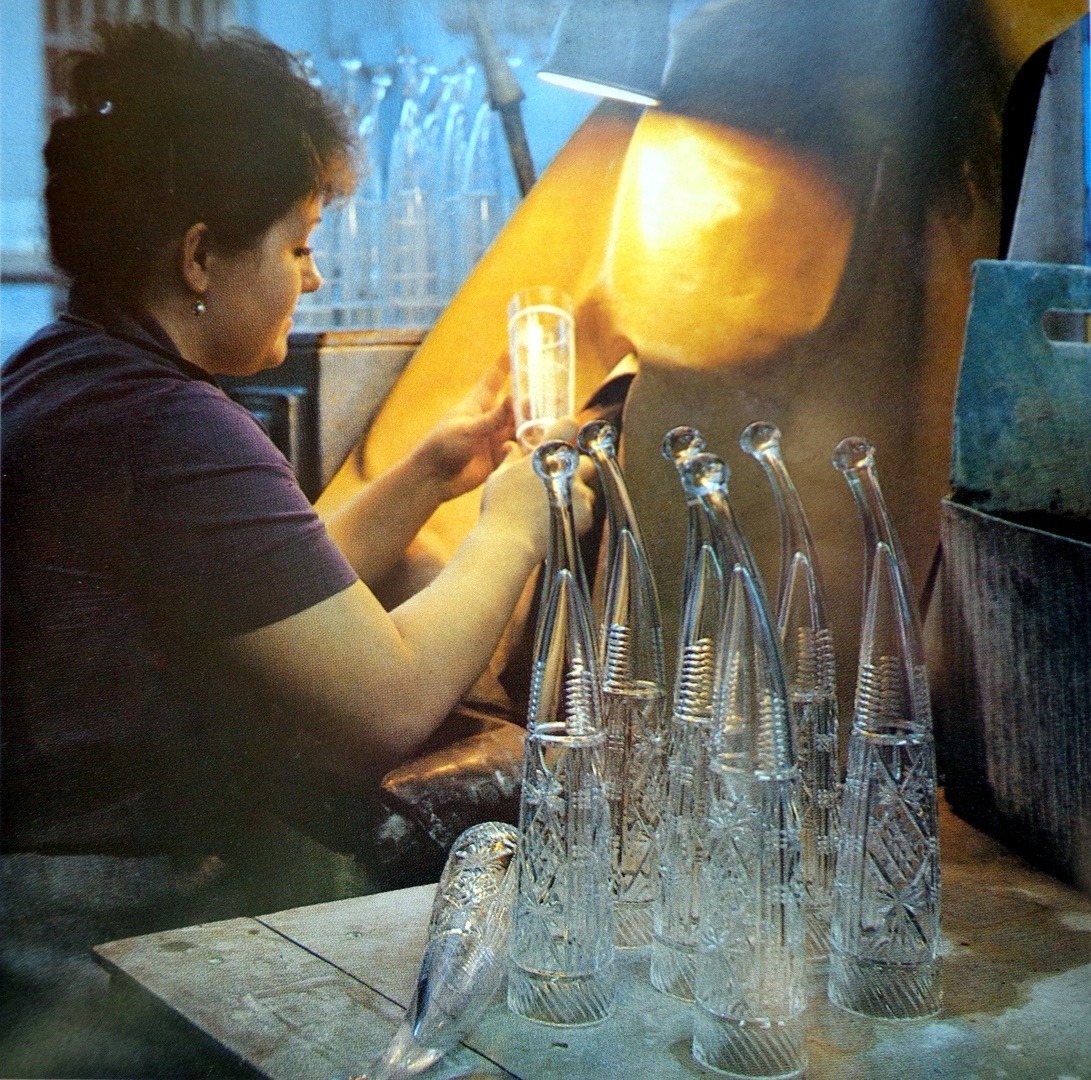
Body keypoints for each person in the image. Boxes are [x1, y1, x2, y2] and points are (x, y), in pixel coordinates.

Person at [0, 22, 591, 1077]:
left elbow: (267, 592)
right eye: (299, 244)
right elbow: (386, 701)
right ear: (197, 256)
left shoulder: (69, 370)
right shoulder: (168, 426)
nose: (311, 281)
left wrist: (421, 478)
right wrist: (518, 520)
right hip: (98, 933)